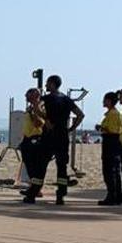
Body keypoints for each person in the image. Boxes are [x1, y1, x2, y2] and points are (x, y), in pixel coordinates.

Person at [26, 74, 84, 205]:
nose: (46, 85)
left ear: (52, 84)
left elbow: (38, 111)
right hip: (62, 135)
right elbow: (80, 115)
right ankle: (60, 195)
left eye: (47, 83)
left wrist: (41, 112)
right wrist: (71, 128)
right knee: (62, 167)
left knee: (41, 165)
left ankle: (33, 193)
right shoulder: (67, 100)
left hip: (49, 135)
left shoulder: (47, 98)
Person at [95, 91, 122, 206]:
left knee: (109, 169)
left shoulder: (113, 114)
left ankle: (112, 195)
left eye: (105, 100)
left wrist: (101, 128)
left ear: (110, 101)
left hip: (111, 141)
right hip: (113, 142)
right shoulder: (113, 113)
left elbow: (111, 130)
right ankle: (115, 195)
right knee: (114, 169)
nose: (103, 102)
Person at [20, 88, 46, 204]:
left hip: (35, 139)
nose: (26, 96)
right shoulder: (31, 108)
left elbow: (39, 123)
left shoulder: (40, 107)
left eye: (28, 94)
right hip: (27, 138)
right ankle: (33, 188)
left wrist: (32, 113)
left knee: (34, 166)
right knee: (28, 165)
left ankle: (36, 189)